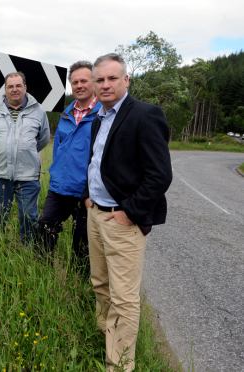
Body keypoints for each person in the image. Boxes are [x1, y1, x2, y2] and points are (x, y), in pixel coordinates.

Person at [82, 53, 172, 371]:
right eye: (100, 79)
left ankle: (119, 366)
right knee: (100, 285)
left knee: (123, 298)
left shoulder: (145, 115)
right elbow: (98, 163)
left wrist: (128, 213)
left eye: (111, 78)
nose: (105, 85)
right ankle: (106, 341)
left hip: (122, 221)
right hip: (97, 215)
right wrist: (88, 196)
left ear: (125, 80)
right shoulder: (98, 120)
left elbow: (160, 175)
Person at [35, 61, 101, 274]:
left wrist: (93, 190)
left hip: (87, 192)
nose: (79, 85)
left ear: (93, 81)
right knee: (44, 228)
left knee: (83, 242)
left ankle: (79, 287)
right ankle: (42, 276)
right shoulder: (66, 114)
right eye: (75, 82)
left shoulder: (104, 114)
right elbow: (58, 151)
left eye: (84, 80)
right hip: (60, 188)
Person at [0, 71, 50, 246]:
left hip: (28, 176)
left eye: (18, 86)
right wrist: (3, 149)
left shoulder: (38, 111)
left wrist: (25, 151)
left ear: (25, 88)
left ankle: (26, 254)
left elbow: (43, 140)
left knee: (29, 218)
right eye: (10, 86)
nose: (14, 90)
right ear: (5, 89)